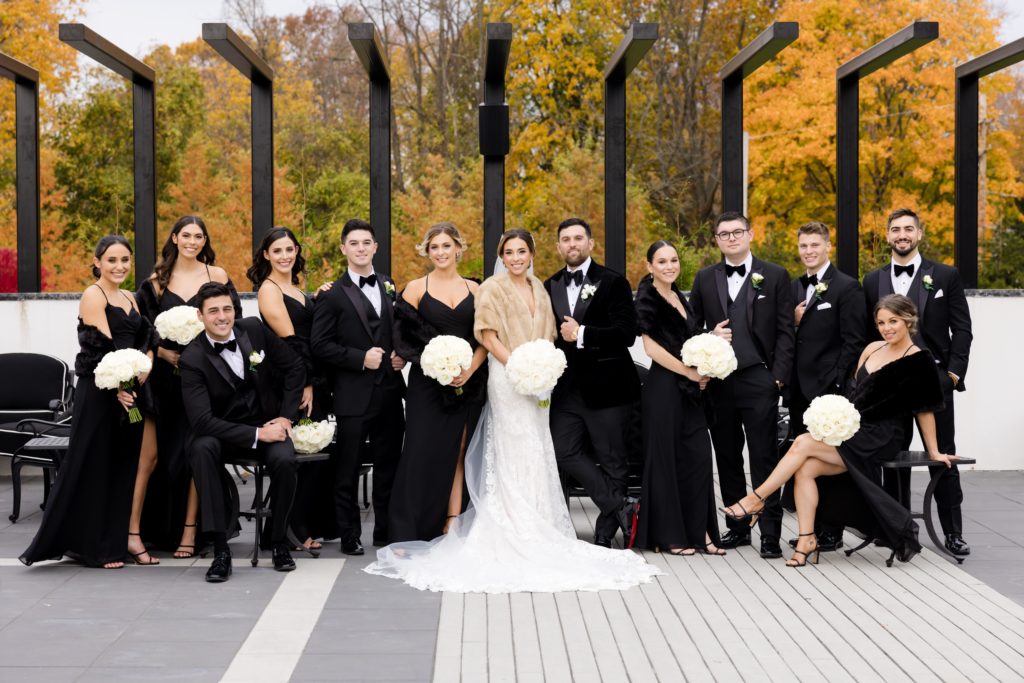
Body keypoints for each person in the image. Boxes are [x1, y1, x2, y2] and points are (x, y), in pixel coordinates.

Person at [364, 229, 660, 593]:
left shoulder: (542, 288)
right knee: (507, 446)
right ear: (501, 257)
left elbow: (551, 336)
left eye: (522, 251)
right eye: (509, 252)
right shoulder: (489, 288)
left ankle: (538, 524)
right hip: (506, 379)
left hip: (536, 383)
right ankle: (504, 525)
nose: (516, 257)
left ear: (533, 253)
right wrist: (518, 366)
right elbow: (486, 335)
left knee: (537, 450)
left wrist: (542, 368)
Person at [721, 294, 956, 566]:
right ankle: (807, 538)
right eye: (881, 322)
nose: (887, 327)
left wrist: (934, 451)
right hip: (854, 429)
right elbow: (855, 392)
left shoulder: (919, 359)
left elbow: (925, 410)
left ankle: (755, 499)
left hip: (882, 436)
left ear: (909, 320)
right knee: (805, 468)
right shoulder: (872, 349)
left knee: (802, 443)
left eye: (893, 321)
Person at [21, 235, 158, 568]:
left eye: (125, 259)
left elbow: (148, 336)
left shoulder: (131, 296)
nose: (119, 266)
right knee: (96, 463)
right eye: (112, 260)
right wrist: (122, 387)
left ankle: (120, 538)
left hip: (133, 397)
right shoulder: (92, 295)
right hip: (101, 395)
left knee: (126, 462)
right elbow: (101, 349)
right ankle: (94, 547)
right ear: (97, 262)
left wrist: (149, 362)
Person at [863, 208, 973, 557]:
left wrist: (952, 375)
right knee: (893, 455)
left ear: (919, 233)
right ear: (888, 235)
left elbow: (963, 329)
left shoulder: (945, 275)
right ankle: (897, 530)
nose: (902, 235)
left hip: (934, 382)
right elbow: (871, 333)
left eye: (908, 228)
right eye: (895, 229)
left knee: (941, 456)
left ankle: (953, 532)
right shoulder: (872, 280)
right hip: (890, 385)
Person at [180, 282, 305, 581]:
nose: (222, 317)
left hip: (267, 425)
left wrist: (286, 418)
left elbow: (295, 366)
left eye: (227, 309)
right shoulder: (192, 358)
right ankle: (221, 549)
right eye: (213, 311)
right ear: (200, 316)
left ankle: (278, 542)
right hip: (223, 434)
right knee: (201, 447)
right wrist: (257, 435)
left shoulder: (254, 330)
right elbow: (202, 422)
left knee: (285, 460)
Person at [688, 211, 795, 559]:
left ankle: (770, 533)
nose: (731, 238)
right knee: (728, 456)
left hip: (758, 379)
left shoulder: (776, 275)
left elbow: (785, 331)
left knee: (765, 456)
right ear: (716, 240)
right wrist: (709, 335)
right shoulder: (705, 278)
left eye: (737, 232)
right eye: (724, 234)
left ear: (750, 235)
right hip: (719, 382)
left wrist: (776, 378)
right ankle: (737, 528)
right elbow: (690, 328)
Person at [136, 215, 241, 558]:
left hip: (205, 377)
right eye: (187, 235)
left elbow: (230, 321)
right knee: (167, 457)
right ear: (175, 238)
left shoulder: (218, 275)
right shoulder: (156, 281)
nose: (193, 241)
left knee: (197, 450)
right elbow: (144, 330)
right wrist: (164, 353)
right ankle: (158, 530)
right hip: (165, 380)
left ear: (205, 241)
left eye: (199, 236)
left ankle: (191, 531)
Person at [543, 217, 640, 548]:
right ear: (558, 247)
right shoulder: (549, 285)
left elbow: (627, 334)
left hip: (610, 389)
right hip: (567, 391)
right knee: (561, 449)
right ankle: (621, 506)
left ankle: (603, 533)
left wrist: (582, 333)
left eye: (578, 238)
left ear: (590, 244)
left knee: (613, 460)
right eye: (566, 239)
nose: (572, 244)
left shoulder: (613, 282)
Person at [311, 219, 406, 555]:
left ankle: (385, 531)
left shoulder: (389, 284)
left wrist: (401, 356)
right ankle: (349, 534)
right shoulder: (332, 295)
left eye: (367, 242)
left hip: (390, 392)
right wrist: (358, 357)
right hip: (352, 395)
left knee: (388, 465)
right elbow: (319, 345)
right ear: (343, 248)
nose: (361, 248)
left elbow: (399, 331)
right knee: (347, 468)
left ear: (375, 247)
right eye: (354, 243)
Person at [388, 222, 488, 542]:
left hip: (467, 384)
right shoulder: (416, 288)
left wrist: (469, 370)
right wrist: (436, 366)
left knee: (459, 449)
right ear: (427, 252)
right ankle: (410, 526)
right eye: (434, 247)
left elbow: (486, 337)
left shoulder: (477, 290)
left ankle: (453, 520)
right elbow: (403, 340)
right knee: (419, 449)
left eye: (446, 246)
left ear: (458, 248)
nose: (441, 252)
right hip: (427, 385)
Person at [247, 226, 338, 551]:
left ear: (297, 251)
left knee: (314, 454)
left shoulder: (298, 289)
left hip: (311, 377)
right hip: (292, 381)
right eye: (278, 251)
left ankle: (304, 524)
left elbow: (312, 328)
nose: (285, 256)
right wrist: (308, 384)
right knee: (300, 453)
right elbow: (292, 342)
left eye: (290, 249)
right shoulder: (269, 290)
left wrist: (323, 295)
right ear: (266, 255)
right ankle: (290, 530)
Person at [633, 241, 723, 556]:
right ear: (649, 266)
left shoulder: (681, 298)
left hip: (691, 390)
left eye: (673, 260)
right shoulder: (647, 297)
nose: (670, 266)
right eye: (662, 261)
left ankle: (702, 533)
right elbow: (651, 348)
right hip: (664, 388)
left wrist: (710, 350)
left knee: (698, 458)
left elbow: (690, 339)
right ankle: (670, 535)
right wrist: (688, 372)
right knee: (666, 461)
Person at [782, 221, 865, 552]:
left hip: (831, 394)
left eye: (814, 245)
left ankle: (833, 529)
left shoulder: (847, 287)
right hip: (799, 390)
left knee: (831, 462)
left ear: (827, 246)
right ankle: (810, 527)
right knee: (805, 462)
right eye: (803, 246)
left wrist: (836, 384)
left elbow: (854, 341)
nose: (809, 251)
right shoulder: (792, 288)